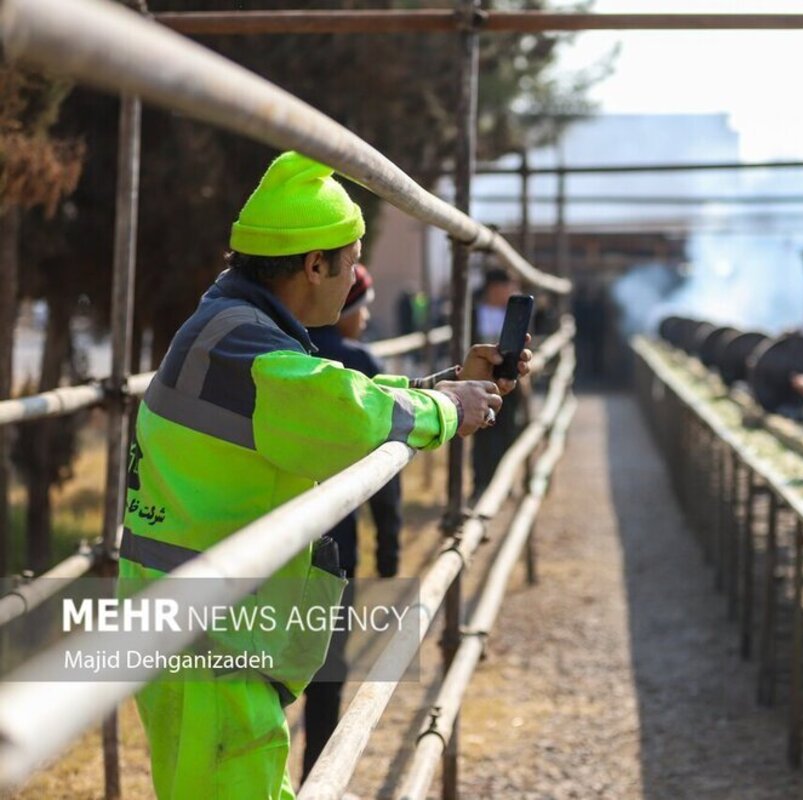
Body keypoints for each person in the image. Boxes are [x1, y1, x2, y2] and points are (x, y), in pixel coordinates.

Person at [118, 151, 529, 799]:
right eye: (352, 261)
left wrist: (443, 386)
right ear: (315, 265)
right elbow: (345, 413)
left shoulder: (232, 330)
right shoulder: (247, 349)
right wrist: (447, 409)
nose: (355, 279)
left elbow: (325, 399)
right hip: (207, 637)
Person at [301, 263, 403, 779]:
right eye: (360, 308)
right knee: (326, 671)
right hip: (335, 547)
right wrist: (390, 548)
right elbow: (386, 471)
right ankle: (316, 779)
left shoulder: (287, 354)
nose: (363, 319)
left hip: (279, 538)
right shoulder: (358, 364)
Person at [471, 268, 529, 497]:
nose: (511, 292)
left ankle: (504, 482)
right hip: (479, 382)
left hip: (508, 383)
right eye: (508, 287)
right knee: (482, 434)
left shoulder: (514, 315)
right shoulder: (474, 313)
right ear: (494, 288)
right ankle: (481, 482)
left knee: (508, 430)